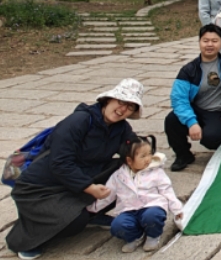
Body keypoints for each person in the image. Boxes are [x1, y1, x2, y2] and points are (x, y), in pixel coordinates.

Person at [5, 79, 143, 259]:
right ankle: (29, 237)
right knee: (75, 222)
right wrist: (89, 188)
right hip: (42, 186)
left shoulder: (121, 127)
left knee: (126, 171)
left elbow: (134, 148)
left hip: (80, 178)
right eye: (121, 102)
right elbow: (60, 162)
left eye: (130, 107)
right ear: (109, 99)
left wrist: (146, 156)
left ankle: (91, 213)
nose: (122, 109)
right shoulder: (79, 121)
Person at [87, 136, 182, 253]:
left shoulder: (157, 172)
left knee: (152, 216)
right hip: (128, 210)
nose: (148, 159)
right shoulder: (118, 175)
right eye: (143, 156)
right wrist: (93, 209)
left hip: (152, 206)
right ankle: (135, 236)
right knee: (117, 225)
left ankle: (153, 236)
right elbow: (108, 194)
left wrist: (177, 209)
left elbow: (167, 191)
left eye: (149, 154)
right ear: (129, 160)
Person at [166, 25, 221, 172]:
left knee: (212, 138)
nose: (210, 45)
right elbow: (178, 98)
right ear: (199, 42)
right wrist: (191, 122)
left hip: (219, 112)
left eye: (214, 41)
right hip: (198, 109)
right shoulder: (189, 70)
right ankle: (183, 155)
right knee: (172, 120)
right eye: (205, 41)